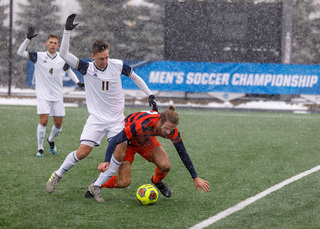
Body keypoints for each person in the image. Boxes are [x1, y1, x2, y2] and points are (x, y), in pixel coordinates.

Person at [46, 14, 157, 194]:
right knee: (82, 153)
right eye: (101, 58)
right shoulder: (86, 68)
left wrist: (149, 94)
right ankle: (57, 174)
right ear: (93, 56)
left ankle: (96, 186)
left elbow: (135, 77)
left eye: (106, 57)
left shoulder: (118, 65)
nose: (104, 61)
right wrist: (66, 31)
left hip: (116, 120)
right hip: (97, 119)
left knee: (120, 153)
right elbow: (64, 54)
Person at [85, 105, 210, 202]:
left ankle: (156, 181)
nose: (168, 132)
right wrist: (107, 160)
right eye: (166, 128)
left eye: (171, 129)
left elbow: (183, 153)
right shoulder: (142, 124)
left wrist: (195, 177)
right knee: (124, 182)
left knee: (165, 166)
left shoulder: (171, 131)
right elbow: (115, 140)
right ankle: (97, 183)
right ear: (159, 121)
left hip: (145, 141)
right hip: (129, 144)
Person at [17, 27, 84, 157]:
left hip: (57, 96)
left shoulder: (61, 58)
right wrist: (27, 39)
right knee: (44, 120)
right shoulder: (38, 56)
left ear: (58, 45)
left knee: (58, 125)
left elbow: (69, 71)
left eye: (55, 43)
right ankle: (40, 148)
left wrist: (77, 82)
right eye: (50, 42)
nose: (52, 45)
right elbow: (20, 52)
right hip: (42, 95)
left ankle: (51, 140)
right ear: (46, 44)